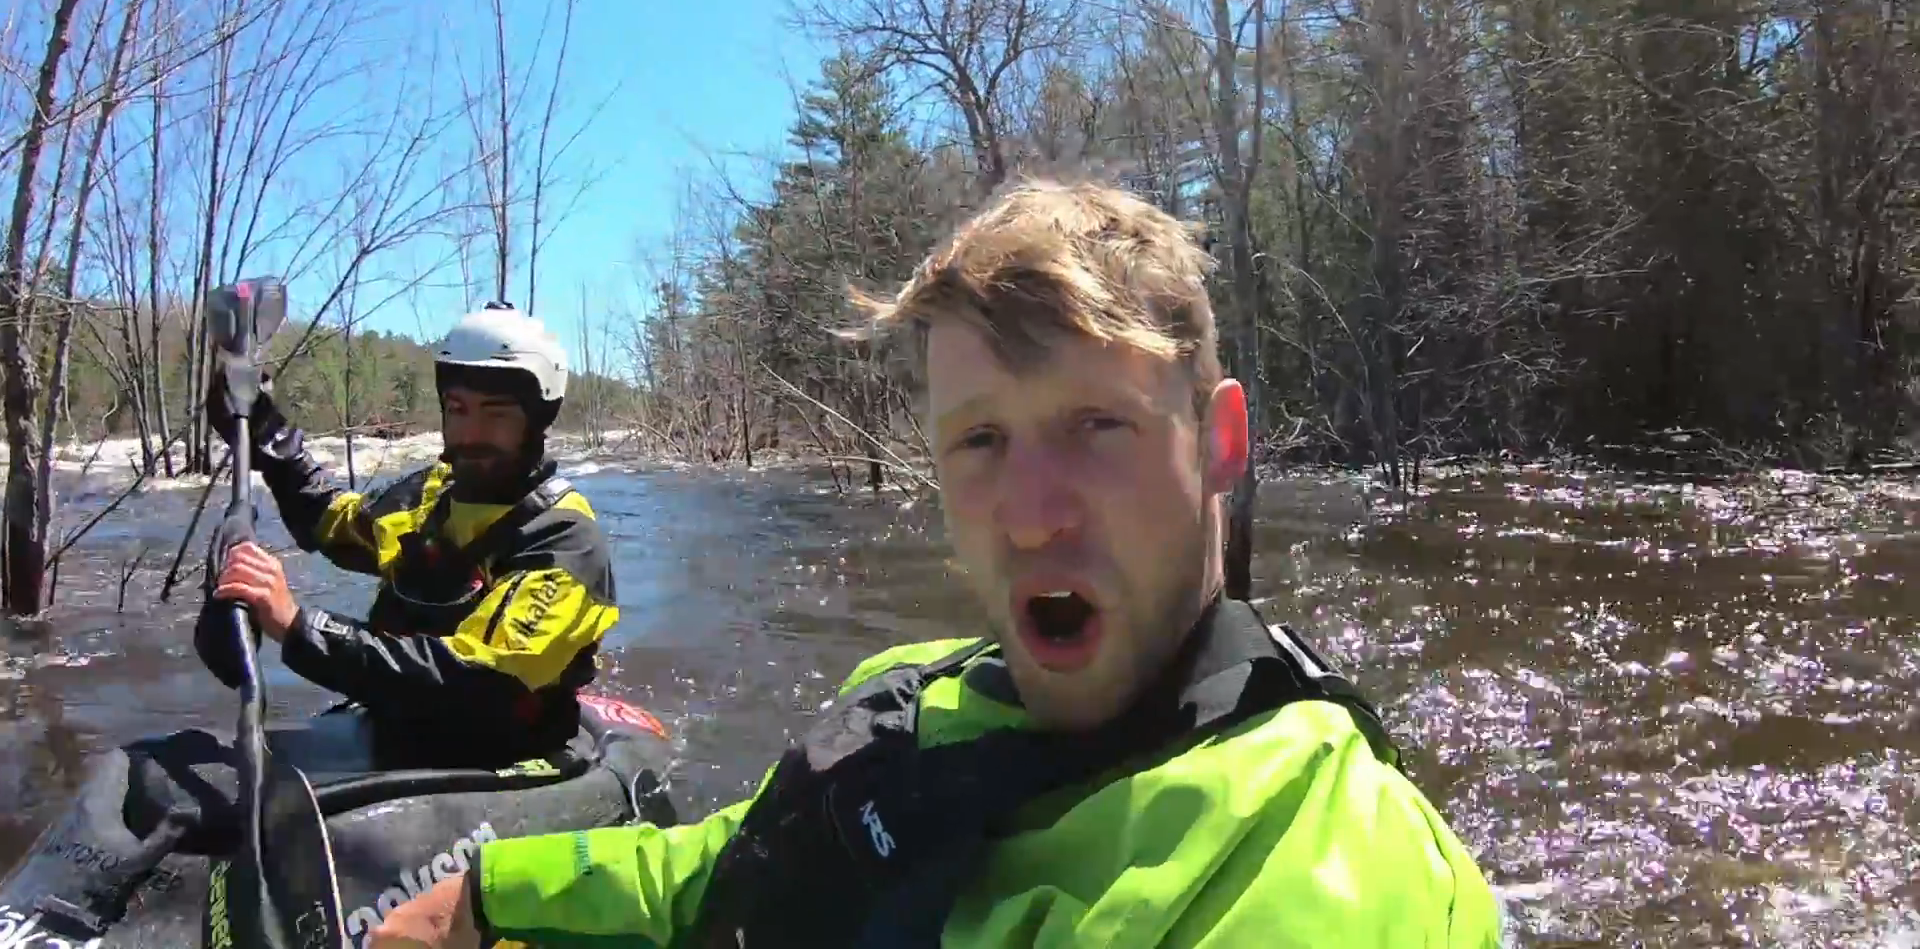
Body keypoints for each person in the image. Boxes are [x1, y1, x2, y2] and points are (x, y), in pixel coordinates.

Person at [369, 181, 1504, 947]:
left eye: (1095, 426)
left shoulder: (1325, 862)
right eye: (981, 440)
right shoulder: (929, 687)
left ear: (1218, 445)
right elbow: (730, 865)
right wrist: (486, 891)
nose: (1028, 514)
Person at [198, 300, 620, 768]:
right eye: (458, 410)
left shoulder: (564, 540)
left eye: (496, 414)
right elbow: (331, 522)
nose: (471, 433)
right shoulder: (434, 494)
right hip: (399, 728)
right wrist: (267, 435)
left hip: (495, 752)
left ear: (537, 419)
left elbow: (482, 681)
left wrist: (300, 628)